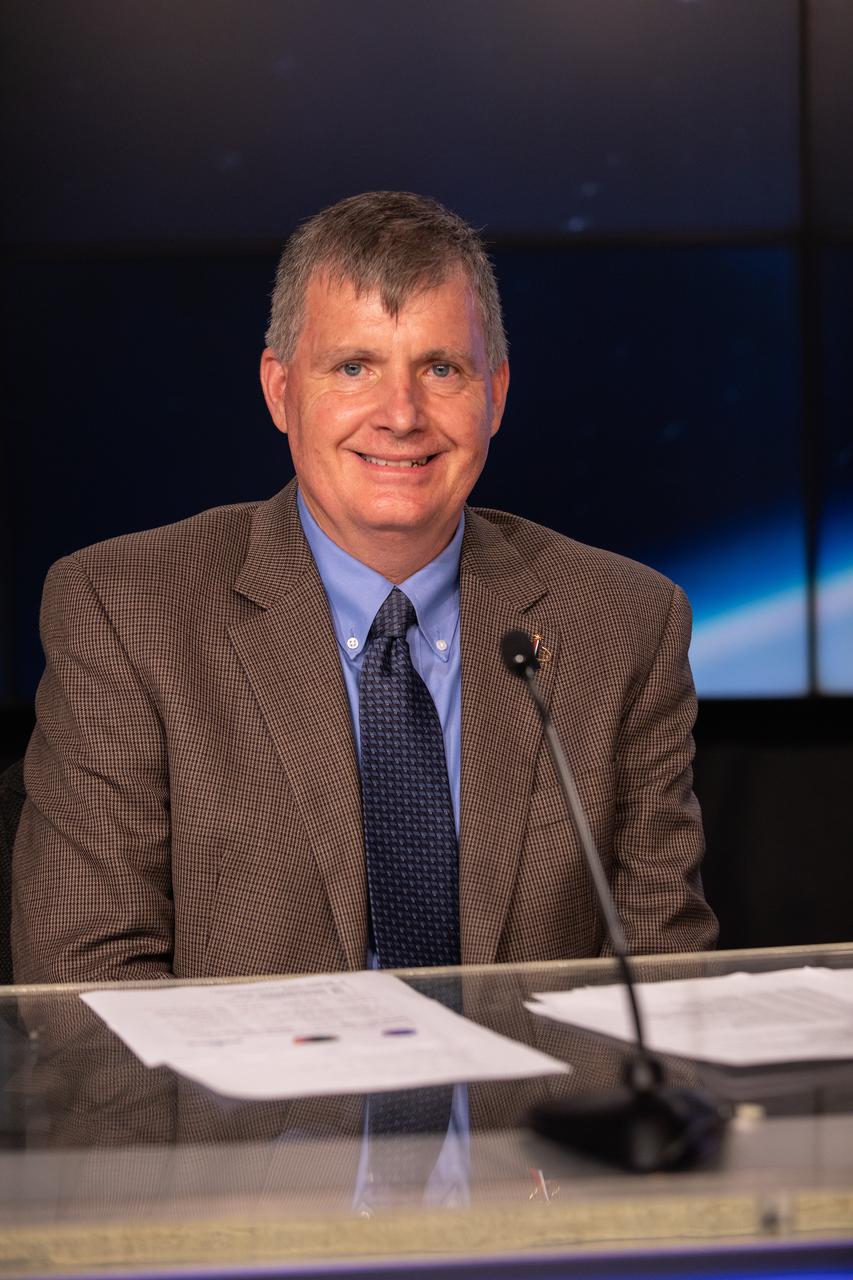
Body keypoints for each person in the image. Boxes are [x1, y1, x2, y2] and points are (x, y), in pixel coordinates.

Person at [11, 191, 717, 983]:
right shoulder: (123, 610)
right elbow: (86, 984)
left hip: (529, 1107)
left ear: (496, 395)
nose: (401, 415)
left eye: (440, 369)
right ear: (281, 392)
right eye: (355, 367)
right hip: (250, 1106)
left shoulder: (625, 622)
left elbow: (661, 973)